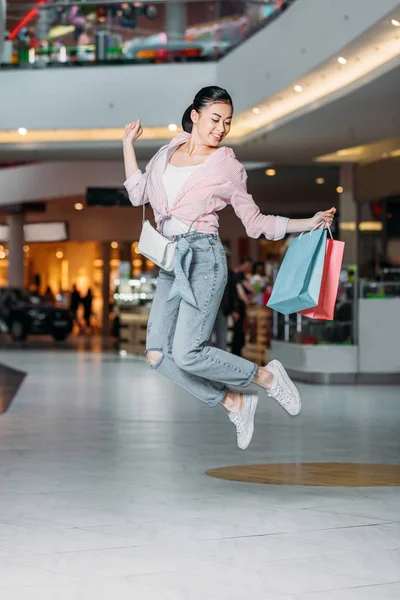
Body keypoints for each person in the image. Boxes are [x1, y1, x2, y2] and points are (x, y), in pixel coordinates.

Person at [122, 86, 335, 450]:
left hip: (203, 259)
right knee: (157, 355)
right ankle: (233, 401)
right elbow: (137, 193)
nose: (221, 128)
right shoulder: (166, 152)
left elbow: (256, 223)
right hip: (170, 262)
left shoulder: (227, 165)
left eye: (227, 122)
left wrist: (309, 222)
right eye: (215, 119)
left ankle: (266, 377)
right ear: (195, 115)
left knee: (188, 352)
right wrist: (127, 144)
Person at [231, 257, 253, 357]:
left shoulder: (243, 276)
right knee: (238, 331)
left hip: (241, 306)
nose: (248, 268)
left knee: (241, 331)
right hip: (237, 307)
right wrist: (246, 299)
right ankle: (236, 353)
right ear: (242, 264)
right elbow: (239, 290)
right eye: (247, 266)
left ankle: (238, 352)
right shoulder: (236, 275)